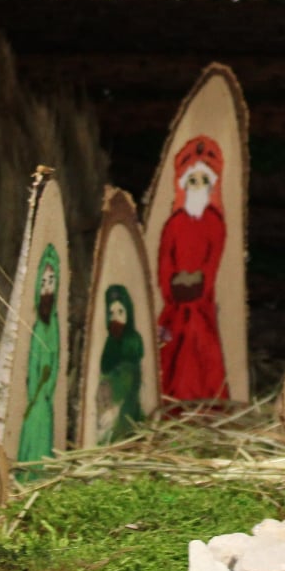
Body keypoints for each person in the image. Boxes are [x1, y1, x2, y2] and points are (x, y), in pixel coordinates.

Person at [156, 136, 230, 402]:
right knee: (172, 347)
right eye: (193, 180)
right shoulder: (174, 224)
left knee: (202, 348)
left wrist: (200, 285)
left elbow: (213, 261)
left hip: (200, 302)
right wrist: (171, 287)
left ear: (211, 185)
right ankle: (171, 400)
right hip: (176, 302)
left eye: (203, 180)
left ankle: (205, 401)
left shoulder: (214, 223)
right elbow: (165, 260)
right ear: (184, 184)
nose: (198, 186)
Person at [16, 244, 61, 462]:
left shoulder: (54, 327)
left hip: (45, 395)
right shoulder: (36, 328)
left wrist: (47, 388)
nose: (47, 289)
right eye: (43, 283)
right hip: (35, 395)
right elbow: (32, 362)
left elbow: (56, 360)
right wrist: (34, 392)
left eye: (51, 282)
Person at [97, 283, 146, 443]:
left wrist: (116, 408)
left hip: (126, 409)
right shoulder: (110, 344)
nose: (115, 318)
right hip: (109, 404)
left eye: (120, 312)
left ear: (128, 313)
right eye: (111, 313)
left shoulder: (132, 341)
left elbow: (129, 380)